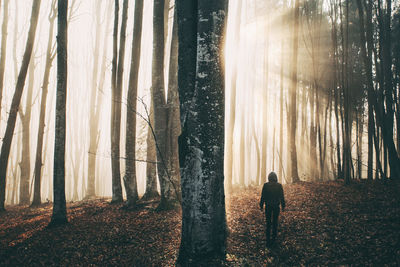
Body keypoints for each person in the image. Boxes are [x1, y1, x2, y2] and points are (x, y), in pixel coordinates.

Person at [259, 172, 285, 246]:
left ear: (269, 177)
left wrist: (261, 205)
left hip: (268, 206)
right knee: (275, 222)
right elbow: (282, 197)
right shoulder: (279, 186)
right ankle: (273, 239)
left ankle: (268, 240)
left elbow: (263, 196)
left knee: (268, 223)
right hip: (276, 206)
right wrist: (283, 206)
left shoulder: (266, 185)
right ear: (275, 178)